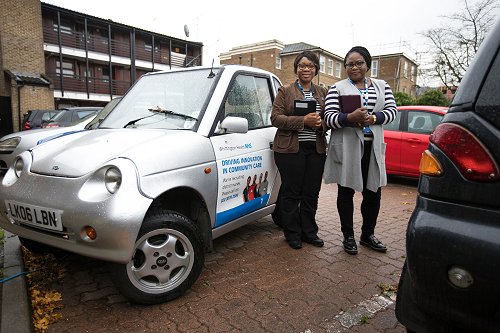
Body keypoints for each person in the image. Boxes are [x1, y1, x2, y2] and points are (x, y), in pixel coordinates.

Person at [323, 46, 397, 255]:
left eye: (359, 63)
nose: (354, 67)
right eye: (349, 64)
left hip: (372, 147)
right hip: (347, 147)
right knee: (345, 191)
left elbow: (392, 112)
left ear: (367, 64)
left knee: (373, 192)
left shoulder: (382, 86)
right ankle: (348, 237)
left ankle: (368, 234)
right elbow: (328, 117)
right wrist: (348, 118)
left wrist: (373, 118)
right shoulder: (337, 88)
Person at [271, 50, 328, 250]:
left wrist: (320, 124)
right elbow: (275, 118)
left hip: (316, 148)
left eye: (310, 66)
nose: (306, 69)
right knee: (292, 192)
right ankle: (292, 233)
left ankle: (309, 232)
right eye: (302, 65)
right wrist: (303, 120)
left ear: (316, 69)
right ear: (296, 69)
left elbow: (328, 120)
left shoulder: (322, 92)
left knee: (311, 192)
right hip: (289, 150)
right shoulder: (285, 91)